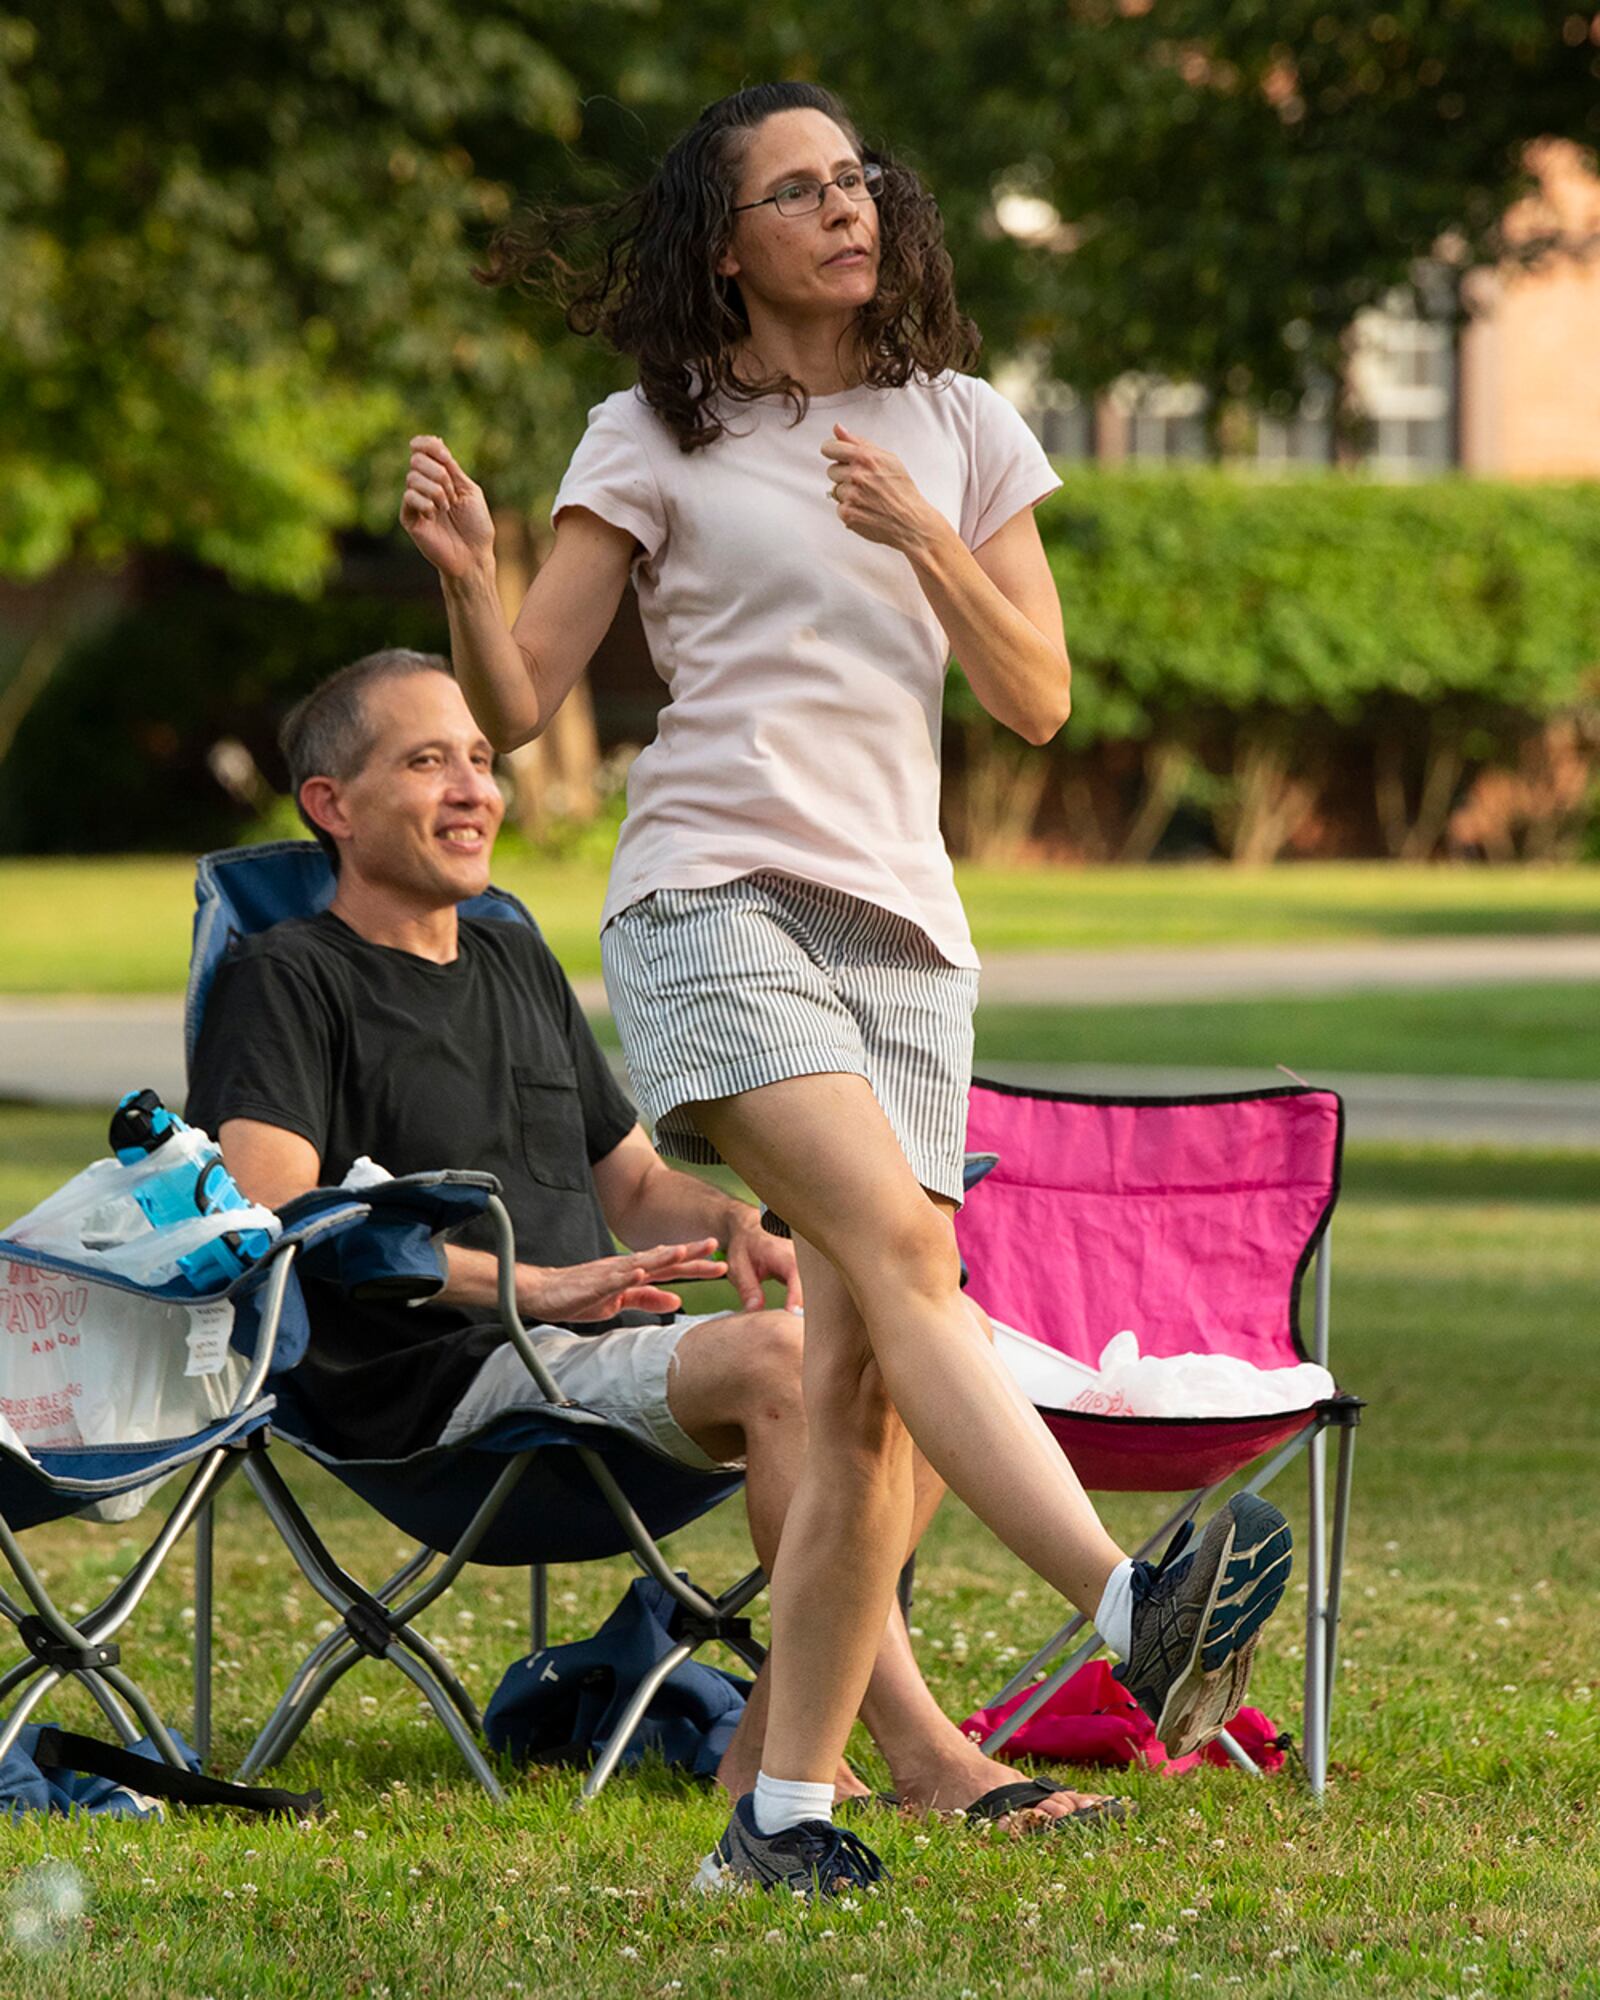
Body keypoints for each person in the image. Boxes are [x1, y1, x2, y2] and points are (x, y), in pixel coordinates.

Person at [399, 83, 1293, 1895]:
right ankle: (1132, 1602)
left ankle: (781, 1820)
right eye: (798, 189)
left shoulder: (956, 425)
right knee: (901, 1259)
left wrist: (926, 536)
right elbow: (516, 703)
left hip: (909, 936)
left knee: (868, 1393)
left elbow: (1038, 695)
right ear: (725, 245)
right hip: (711, 903)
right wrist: (473, 588)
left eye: (859, 179)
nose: (846, 208)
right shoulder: (650, 435)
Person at [185, 645, 1124, 1828]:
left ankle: (776, 1748)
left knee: (917, 1337)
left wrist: (742, 1217)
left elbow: (630, 1178)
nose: (475, 787)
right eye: (428, 761)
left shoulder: (511, 954)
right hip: (436, 1391)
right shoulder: (286, 978)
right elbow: (274, 1216)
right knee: (795, 1365)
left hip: (587, 1361)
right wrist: (537, 1285)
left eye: (481, 758)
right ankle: (920, 1751)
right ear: (331, 804)